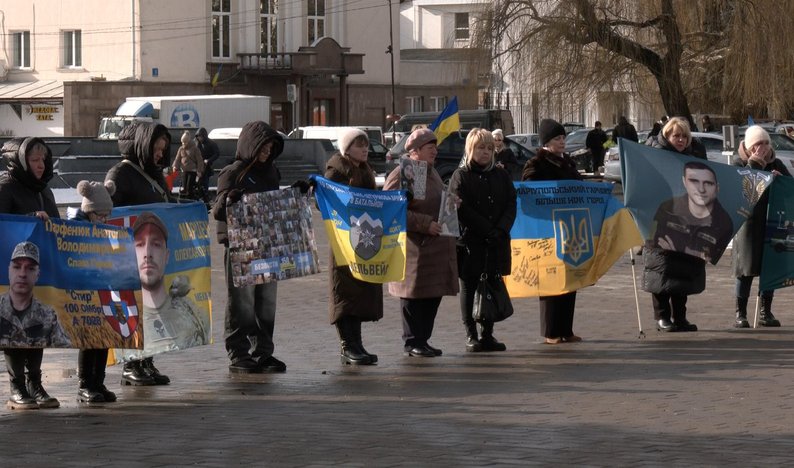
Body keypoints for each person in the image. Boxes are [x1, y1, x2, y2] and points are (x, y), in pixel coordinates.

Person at [212, 121, 287, 374]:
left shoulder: (271, 172)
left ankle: (263, 352)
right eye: (263, 148)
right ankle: (239, 353)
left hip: (268, 244)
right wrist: (229, 199)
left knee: (266, 302)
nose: (266, 153)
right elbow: (217, 209)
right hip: (240, 245)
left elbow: (276, 204)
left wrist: (296, 194)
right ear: (250, 146)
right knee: (242, 302)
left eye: (270, 149)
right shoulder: (233, 172)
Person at [106, 121, 174, 386]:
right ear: (143, 147)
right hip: (129, 255)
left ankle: (147, 361)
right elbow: (109, 210)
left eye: (162, 149)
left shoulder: (153, 173)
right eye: (156, 149)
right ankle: (131, 365)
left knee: (152, 308)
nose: (159, 154)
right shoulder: (120, 174)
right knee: (134, 308)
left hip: (151, 255)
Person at [383, 128, 459, 357]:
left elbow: (434, 199)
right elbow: (393, 209)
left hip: (436, 247)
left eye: (435, 147)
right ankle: (412, 340)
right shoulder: (405, 173)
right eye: (429, 147)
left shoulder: (432, 172)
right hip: (416, 247)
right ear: (414, 151)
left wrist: (452, 203)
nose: (435, 151)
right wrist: (425, 224)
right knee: (413, 297)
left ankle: (423, 339)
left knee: (432, 295)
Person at [0, 137, 62, 409]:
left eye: (43, 160)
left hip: (40, 270)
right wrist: (28, 217)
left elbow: (58, 226)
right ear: (22, 161)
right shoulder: (6, 187)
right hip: (11, 272)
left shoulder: (45, 190)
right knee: (13, 327)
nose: (40, 165)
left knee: (36, 325)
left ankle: (35, 384)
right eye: (34, 160)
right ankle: (17, 386)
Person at [449, 128, 516, 352]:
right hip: (471, 241)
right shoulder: (461, 175)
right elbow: (461, 209)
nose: (485, 152)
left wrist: (501, 229)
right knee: (469, 287)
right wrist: (486, 229)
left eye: (489, 148)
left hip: (496, 241)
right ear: (470, 149)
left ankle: (488, 333)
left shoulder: (501, 174)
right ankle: (471, 333)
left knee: (492, 284)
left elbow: (510, 204)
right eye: (480, 147)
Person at [644, 117, 709, 333]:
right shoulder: (653, 156)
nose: (680, 140)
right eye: (676, 136)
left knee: (684, 268)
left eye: (684, 136)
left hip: (688, 220)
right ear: (667, 136)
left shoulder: (695, 157)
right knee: (661, 268)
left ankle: (680, 316)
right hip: (660, 219)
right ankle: (662, 316)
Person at [324, 128, 382, 365]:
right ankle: (347, 345)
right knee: (344, 291)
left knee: (359, 290)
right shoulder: (335, 172)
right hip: (343, 241)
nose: (365, 149)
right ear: (347, 149)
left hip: (363, 238)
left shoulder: (365, 171)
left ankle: (357, 343)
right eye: (359, 145)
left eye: (366, 145)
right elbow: (326, 203)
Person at [521, 119, 583, 344]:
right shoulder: (536, 163)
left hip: (571, 228)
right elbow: (528, 192)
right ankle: (551, 331)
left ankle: (566, 328)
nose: (562, 142)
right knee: (551, 279)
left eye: (563, 138)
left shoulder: (568, 163)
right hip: (548, 229)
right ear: (547, 141)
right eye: (558, 138)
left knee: (570, 277)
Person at [732, 126, 791, 328]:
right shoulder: (739, 162)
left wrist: (780, 179)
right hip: (748, 223)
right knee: (745, 269)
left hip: (772, 221)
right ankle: (741, 312)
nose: (763, 147)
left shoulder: (777, 163)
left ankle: (766, 311)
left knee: (770, 267)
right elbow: (742, 186)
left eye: (766, 143)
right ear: (749, 147)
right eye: (758, 144)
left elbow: (789, 187)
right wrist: (755, 164)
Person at [69, 180, 118, 404]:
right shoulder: (76, 229)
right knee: (89, 339)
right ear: (89, 212)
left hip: (103, 289)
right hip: (85, 293)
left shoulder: (103, 230)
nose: (104, 220)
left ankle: (99, 381)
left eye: (107, 215)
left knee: (104, 337)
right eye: (100, 215)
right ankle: (85, 383)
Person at [131, 212, 208, 353]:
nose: (147, 253)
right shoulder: (121, 318)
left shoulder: (194, 315)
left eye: (156, 244)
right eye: (140, 244)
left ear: (166, 256)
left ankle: (147, 364)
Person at [651, 161, 733, 263]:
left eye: (708, 183)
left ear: (717, 187)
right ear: (684, 182)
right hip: (664, 268)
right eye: (694, 181)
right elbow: (653, 244)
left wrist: (680, 251)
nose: (701, 189)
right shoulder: (667, 208)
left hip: (694, 274)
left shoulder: (724, 223)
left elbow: (712, 257)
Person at [172, 130, 205, 200]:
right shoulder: (181, 149)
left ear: (188, 141)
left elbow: (200, 160)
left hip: (192, 171)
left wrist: (199, 170)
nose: (183, 144)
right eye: (182, 142)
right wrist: (175, 166)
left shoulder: (195, 149)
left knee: (189, 187)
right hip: (184, 170)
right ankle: (185, 200)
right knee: (184, 187)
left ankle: (190, 200)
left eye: (185, 142)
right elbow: (177, 159)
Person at [196, 127, 220, 203]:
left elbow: (217, 153)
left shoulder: (211, 143)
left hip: (206, 167)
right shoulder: (196, 143)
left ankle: (205, 198)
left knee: (205, 183)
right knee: (197, 183)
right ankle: (199, 197)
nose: (200, 138)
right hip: (197, 166)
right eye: (198, 136)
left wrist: (209, 160)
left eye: (201, 136)